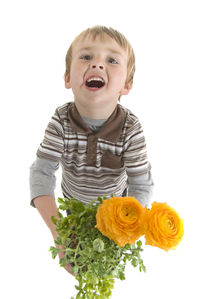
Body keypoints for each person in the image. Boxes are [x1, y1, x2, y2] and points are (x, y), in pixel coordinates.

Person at [29, 25, 154, 276]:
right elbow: (41, 172)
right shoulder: (61, 121)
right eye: (86, 57)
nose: (97, 64)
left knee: (105, 271)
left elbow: (141, 185)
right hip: (73, 210)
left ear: (126, 85)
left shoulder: (130, 128)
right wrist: (59, 229)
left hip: (115, 214)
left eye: (111, 60)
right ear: (67, 77)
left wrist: (125, 229)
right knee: (76, 267)